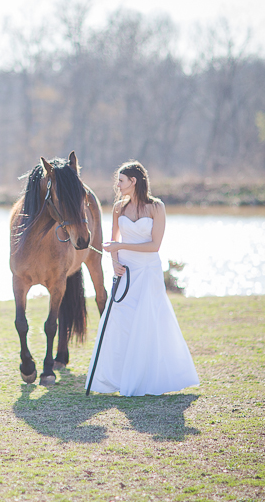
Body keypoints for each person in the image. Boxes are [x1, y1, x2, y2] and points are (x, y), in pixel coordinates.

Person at [85, 160, 199, 396]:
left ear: (133, 181)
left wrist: (122, 245)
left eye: (121, 180)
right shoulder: (118, 207)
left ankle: (146, 378)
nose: (118, 184)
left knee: (147, 321)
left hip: (147, 272)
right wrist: (115, 261)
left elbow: (154, 246)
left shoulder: (157, 207)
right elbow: (113, 241)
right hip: (125, 273)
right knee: (120, 321)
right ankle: (116, 378)